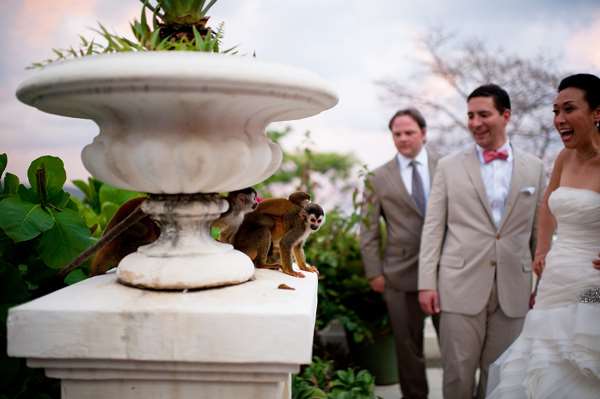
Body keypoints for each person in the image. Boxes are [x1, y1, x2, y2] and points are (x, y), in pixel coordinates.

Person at [418, 84, 545, 398]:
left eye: (483, 114)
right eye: (470, 115)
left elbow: (538, 233)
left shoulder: (536, 168)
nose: (475, 123)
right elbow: (433, 227)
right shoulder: (448, 166)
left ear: (506, 115)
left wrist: (540, 285)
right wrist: (426, 283)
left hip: (514, 289)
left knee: (501, 377)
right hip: (458, 285)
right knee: (457, 375)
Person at [487, 73, 600, 397]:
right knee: (540, 367)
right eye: (555, 111)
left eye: (568, 109)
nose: (559, 119)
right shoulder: (564, 157)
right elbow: (548, 207)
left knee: (583, 363)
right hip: (553, 284)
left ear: (597, 113)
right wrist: (543, 249)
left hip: (593, 289)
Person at [360, 108, 439, 399]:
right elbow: (367, 230)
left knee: (458, 348)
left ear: (424, 133)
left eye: (410, 132)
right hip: (399, 274)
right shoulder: (377, 177)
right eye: (397, 134)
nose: (403, 139)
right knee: (407, 350)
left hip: (448, 271)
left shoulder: (447, 166)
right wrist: (374, 273)